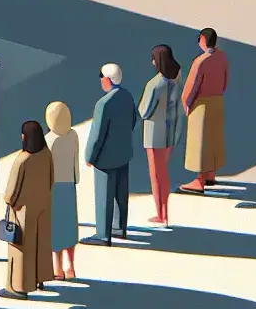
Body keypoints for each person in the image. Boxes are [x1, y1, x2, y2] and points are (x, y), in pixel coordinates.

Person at [82, 63, 138, 245]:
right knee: (120, 193)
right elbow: (133, 120)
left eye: (101, 76)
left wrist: (89, 156)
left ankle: (103, 234)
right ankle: (119, 228)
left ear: (108, 79)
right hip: (124, 152)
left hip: (105, 158)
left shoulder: (103, 103)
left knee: (104, 196)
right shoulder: (127, 96)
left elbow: (97, 134)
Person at [0, 119, 56, 300]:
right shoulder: (46, 154)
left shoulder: (22, 160)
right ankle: (40, 277)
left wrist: (10, 202)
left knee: (21, 249)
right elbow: (51, 179)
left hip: (23, 210)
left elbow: (11, 193)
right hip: (43, 205)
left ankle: (18, 287)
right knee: (41, 243)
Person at [177, 27, 231, 195]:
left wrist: (185, 102)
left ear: (202, 39)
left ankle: (199, 180)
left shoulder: (200, 61)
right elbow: (225, 79)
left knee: (200, 143)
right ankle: (210, 173)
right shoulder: (221, 56)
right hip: (216, 101)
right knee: (213, 140)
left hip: (201, 105)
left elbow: (191, 86)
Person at [141, 44, 185, 225]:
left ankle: (161, 214)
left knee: (156, 176)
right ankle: (164, 211)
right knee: (163, 174)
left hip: (155, 133)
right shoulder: (177, 75)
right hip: (172, 129)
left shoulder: (154, 85)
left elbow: (144, 111)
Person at [44, 101, 82, 280]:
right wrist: (76, 178)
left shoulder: (48, 140)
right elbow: (75, 161)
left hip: (53, 187)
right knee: (69, 226)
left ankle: (57, 267)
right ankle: (71, 267)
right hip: (69, 185)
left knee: (56, 228)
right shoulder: (73, 135)